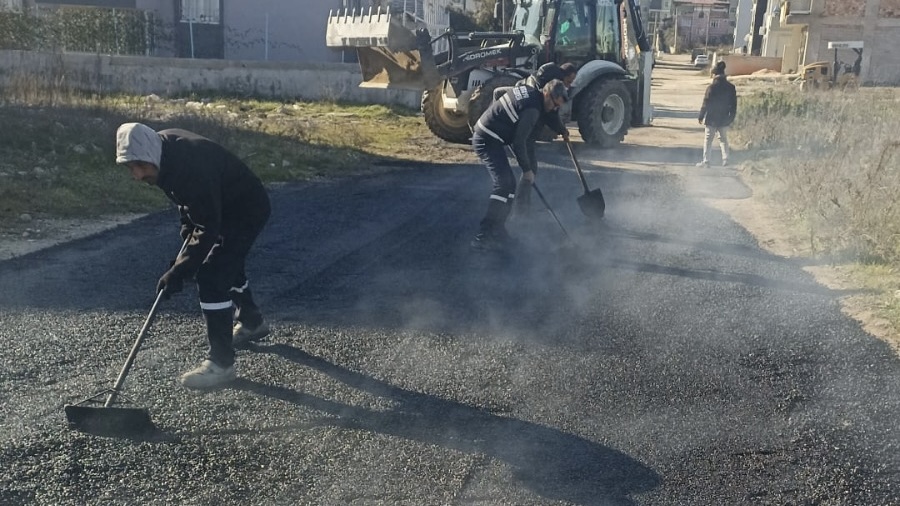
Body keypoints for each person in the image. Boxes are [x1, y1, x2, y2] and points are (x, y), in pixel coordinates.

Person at [115, 123, 271, 389]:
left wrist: (181, 270)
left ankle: (221, 364)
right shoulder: (162, 155)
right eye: (131, 168)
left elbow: (208, 224)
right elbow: (188, 204)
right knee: (225, 264)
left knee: (212, 275)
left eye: (139, 166)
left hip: (246, 209)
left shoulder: (190, 164)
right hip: (222, 204)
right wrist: (187, 236)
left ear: (151, 155)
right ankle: (252, 321)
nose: (137, 175)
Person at [470, 79, 570, 251]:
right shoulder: (532, 110)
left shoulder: (532, 93)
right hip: (486, 139)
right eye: (554, 104)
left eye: (558, 107)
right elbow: (519, 142)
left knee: (509, 185)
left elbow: (549, 114)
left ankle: (498, 231)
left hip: (492, 135)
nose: (555, 109)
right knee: (503, 185)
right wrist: (527, 170)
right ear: (546, 93)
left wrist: (562, 129)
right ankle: (483, 236)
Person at [697, 61, 737, 168]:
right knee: (723, 139)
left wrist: (701, 115)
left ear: (715, 75)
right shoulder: (731, 87)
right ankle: (726, 160)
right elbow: (733, 105)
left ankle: (706, 161)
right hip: (724, 118)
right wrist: (731, 117)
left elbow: (706, 103)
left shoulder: (711, 87)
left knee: (708, 140)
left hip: (712, 118)